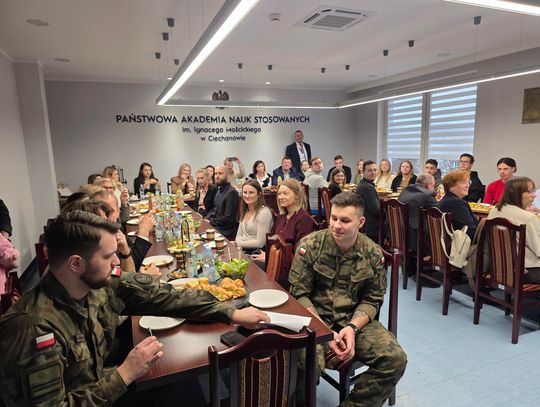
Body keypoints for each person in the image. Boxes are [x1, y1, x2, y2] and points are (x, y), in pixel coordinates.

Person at [0, 210, 269, 407]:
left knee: (176, 386)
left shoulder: (95, 283)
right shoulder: (33, 328)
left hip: (101, 386)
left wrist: (230, 312)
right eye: (108, 256)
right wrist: (124, 373)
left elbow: (164, 295)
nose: (117, 261)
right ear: (76, 263)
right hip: (103, 391)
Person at [289, 191, 407, 407]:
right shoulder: (311, 246)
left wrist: (352, 328)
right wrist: (324, 332)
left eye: (345, 220)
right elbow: (299, 294)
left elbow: (372, 299)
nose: (336, 225)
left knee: (395, 359)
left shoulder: (372, 253)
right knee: (307, 364)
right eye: (333, 218)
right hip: (315, 320)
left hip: (354, 321)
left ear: (360, 222)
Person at [487, 177, 540, 283]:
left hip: (500, 268)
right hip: (526, 271)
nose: (534, 195)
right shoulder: (528, 218)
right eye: (530, 191)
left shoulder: (495, 211)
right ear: (516, 193)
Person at [252, 179, 316, 264]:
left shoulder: (304, 219)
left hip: (290, 267)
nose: (280, 197)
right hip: (275, 262)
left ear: (297, 195)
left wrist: (272, 258)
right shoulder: (281, 217)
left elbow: (302, 255)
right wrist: (268, 255)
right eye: (279, 194)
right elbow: (272, 243)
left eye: (285, 193)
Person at [398, 173, 437, 248]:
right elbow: (438, 213)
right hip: (417, 238)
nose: (433, 188)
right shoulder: (427, 194)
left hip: (399, 232)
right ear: (429, 185)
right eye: (433, 186)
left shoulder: (405, 190)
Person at [235, 180, 274, 253]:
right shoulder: (245, 210)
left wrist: (238, 243)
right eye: (245, 192)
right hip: (243, 250)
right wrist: (238, 243)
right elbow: (238, 236)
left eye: (251, 192)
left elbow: (260, 243)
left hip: (256, 253)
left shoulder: (264, 213)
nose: (247, 196)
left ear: (259, 194)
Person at [437, 170, 478, 240]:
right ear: (451, 187)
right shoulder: (456, 203)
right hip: (457, 245)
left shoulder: (446, 200)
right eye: (463, 183)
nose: (467, 185)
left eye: (468, 182)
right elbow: (472, 232)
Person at [206, 166, 240, 239]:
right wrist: (205, 219)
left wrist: (211, 222)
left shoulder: (232, 192)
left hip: (225, 229)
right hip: (217, 224)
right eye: (215, 173)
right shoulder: (219, 190)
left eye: (220, 173)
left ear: (227, 175)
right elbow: (214, 209)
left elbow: (228, 218)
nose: (217, 176)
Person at [355, 160, 380, 241]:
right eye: (369, 170)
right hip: (373, 227)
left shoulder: (364, 184)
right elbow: (377, 211)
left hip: (367, 222)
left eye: (375, 170)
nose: (373, 173)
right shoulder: (367, 187)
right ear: (363, 172)